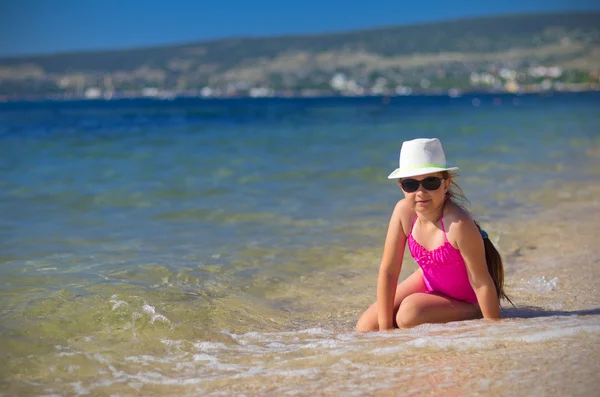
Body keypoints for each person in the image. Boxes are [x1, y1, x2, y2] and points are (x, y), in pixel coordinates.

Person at [356, 138, 511, 332]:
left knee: (408, 315)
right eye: (411, 184)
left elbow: (481, 282)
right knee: (367, 326)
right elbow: (388, 271)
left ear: (446, 184)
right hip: (430, 280)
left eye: (430, 182)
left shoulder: (458, 224)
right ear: (401, 187)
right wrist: (386, 333)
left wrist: (493, 327)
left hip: (467, 299)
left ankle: (473, 312)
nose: (421, 192)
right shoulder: (403, 213)